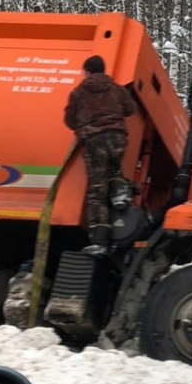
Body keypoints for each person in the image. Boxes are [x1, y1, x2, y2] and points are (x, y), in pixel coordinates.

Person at [63, 56, 136, 255]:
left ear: (86, 71)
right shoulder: (117, 89)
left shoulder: (78, 93)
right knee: (114, 170)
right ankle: (120, 193)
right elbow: (131, 110)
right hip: (118, 139)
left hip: (95, 142)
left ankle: (100, 241)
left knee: (97, 191)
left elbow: (70, 120)